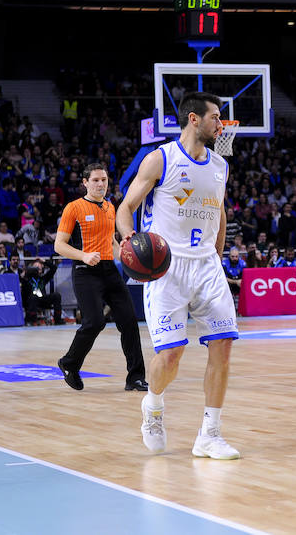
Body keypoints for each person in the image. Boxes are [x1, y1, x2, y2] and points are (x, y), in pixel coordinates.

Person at [116, 91, 240, 460]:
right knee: (170, 356)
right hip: (167, 269)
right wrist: (129, 241)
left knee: (223, 346)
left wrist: (216, 259)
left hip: (206, 267)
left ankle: (210, 434)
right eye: (216, 117)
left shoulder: (220, 166)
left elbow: (219, 214)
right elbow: (127, 207)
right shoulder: (160, 159)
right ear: (193, 118)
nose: (222, 125)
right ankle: (153, 407)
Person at [55, 164, 147, 392]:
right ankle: (69, 364)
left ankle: (135, 378)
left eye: (104, 180)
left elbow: (112, 242)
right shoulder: (73, 208)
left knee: (129, 322)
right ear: (85, 182)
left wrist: (130, 259)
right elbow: (59, 245)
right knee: (94, 322)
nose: (100, 184)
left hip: (110, 271)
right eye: (95, 180)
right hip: (85, 272)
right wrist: (84, 256)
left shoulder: (110, 207)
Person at [20, 257, 63, 325]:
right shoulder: (27, 280)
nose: (38, 269)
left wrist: (44, 261)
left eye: (40, 267)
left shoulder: (43, 279)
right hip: (31, 301)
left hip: (42, 299)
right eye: (36, 267)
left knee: (56, 295)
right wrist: (25, 272)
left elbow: (54, 268)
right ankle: (32, 321)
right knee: (33, 297)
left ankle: (58, 320)